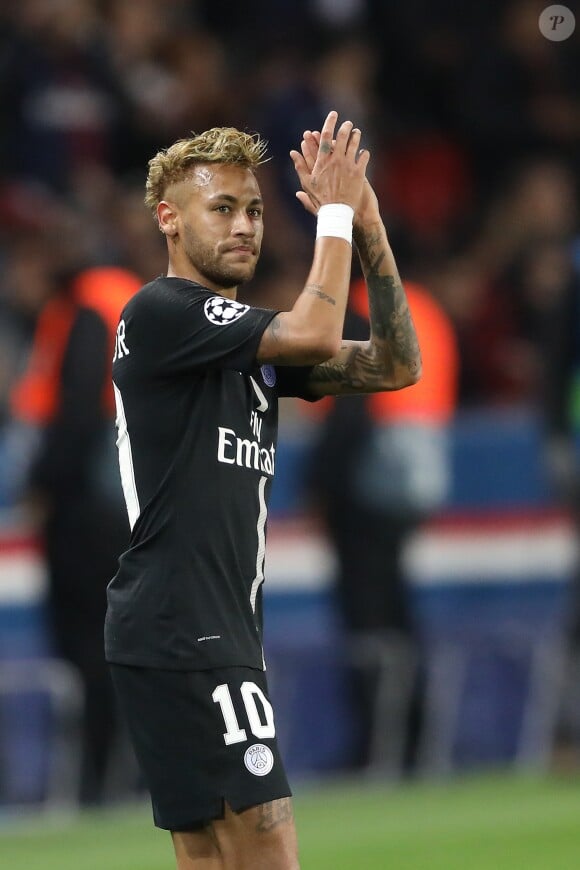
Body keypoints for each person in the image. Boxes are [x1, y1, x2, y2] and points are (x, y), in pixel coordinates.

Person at [105, 110, 421, 869]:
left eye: (253, 209)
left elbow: (394, 365)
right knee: (266, 839)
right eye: (223, 209)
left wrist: (370, 224)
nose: (245, 226)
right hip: (187, 625)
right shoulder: (161, 313)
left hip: (188, 627)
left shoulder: (242, 346)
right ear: (169, 220)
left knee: (212, 855)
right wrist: (337, 214)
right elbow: (314, 333)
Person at [11, 265, 142, 804]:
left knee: (87, 644)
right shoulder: (123, 297)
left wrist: (42, 482)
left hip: (85, 507)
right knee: (120, 641)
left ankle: (98, 776)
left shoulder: (83, 312)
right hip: (124, 498)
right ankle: (122, 771)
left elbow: (76, 410)